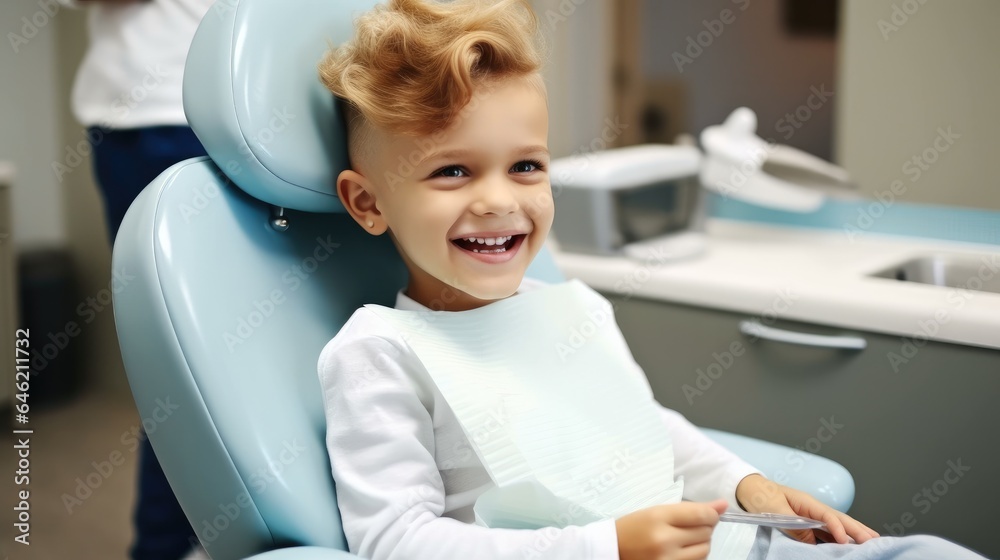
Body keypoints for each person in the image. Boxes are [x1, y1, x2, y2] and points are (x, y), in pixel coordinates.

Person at [315, 1, 988, 558]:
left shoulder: (572, 311)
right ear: (368, 203)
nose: (500, 200)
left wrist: (748, 485)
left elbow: (646, 429)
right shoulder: (381, 353)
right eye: (451, 171)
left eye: (526, 167)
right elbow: (395, 542)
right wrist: (606, 546)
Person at [61, 0, 214, 558]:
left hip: (252, 103)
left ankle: (197, 536)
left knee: (234, 352)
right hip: (156, 114)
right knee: (180, 361)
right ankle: (166, 544)